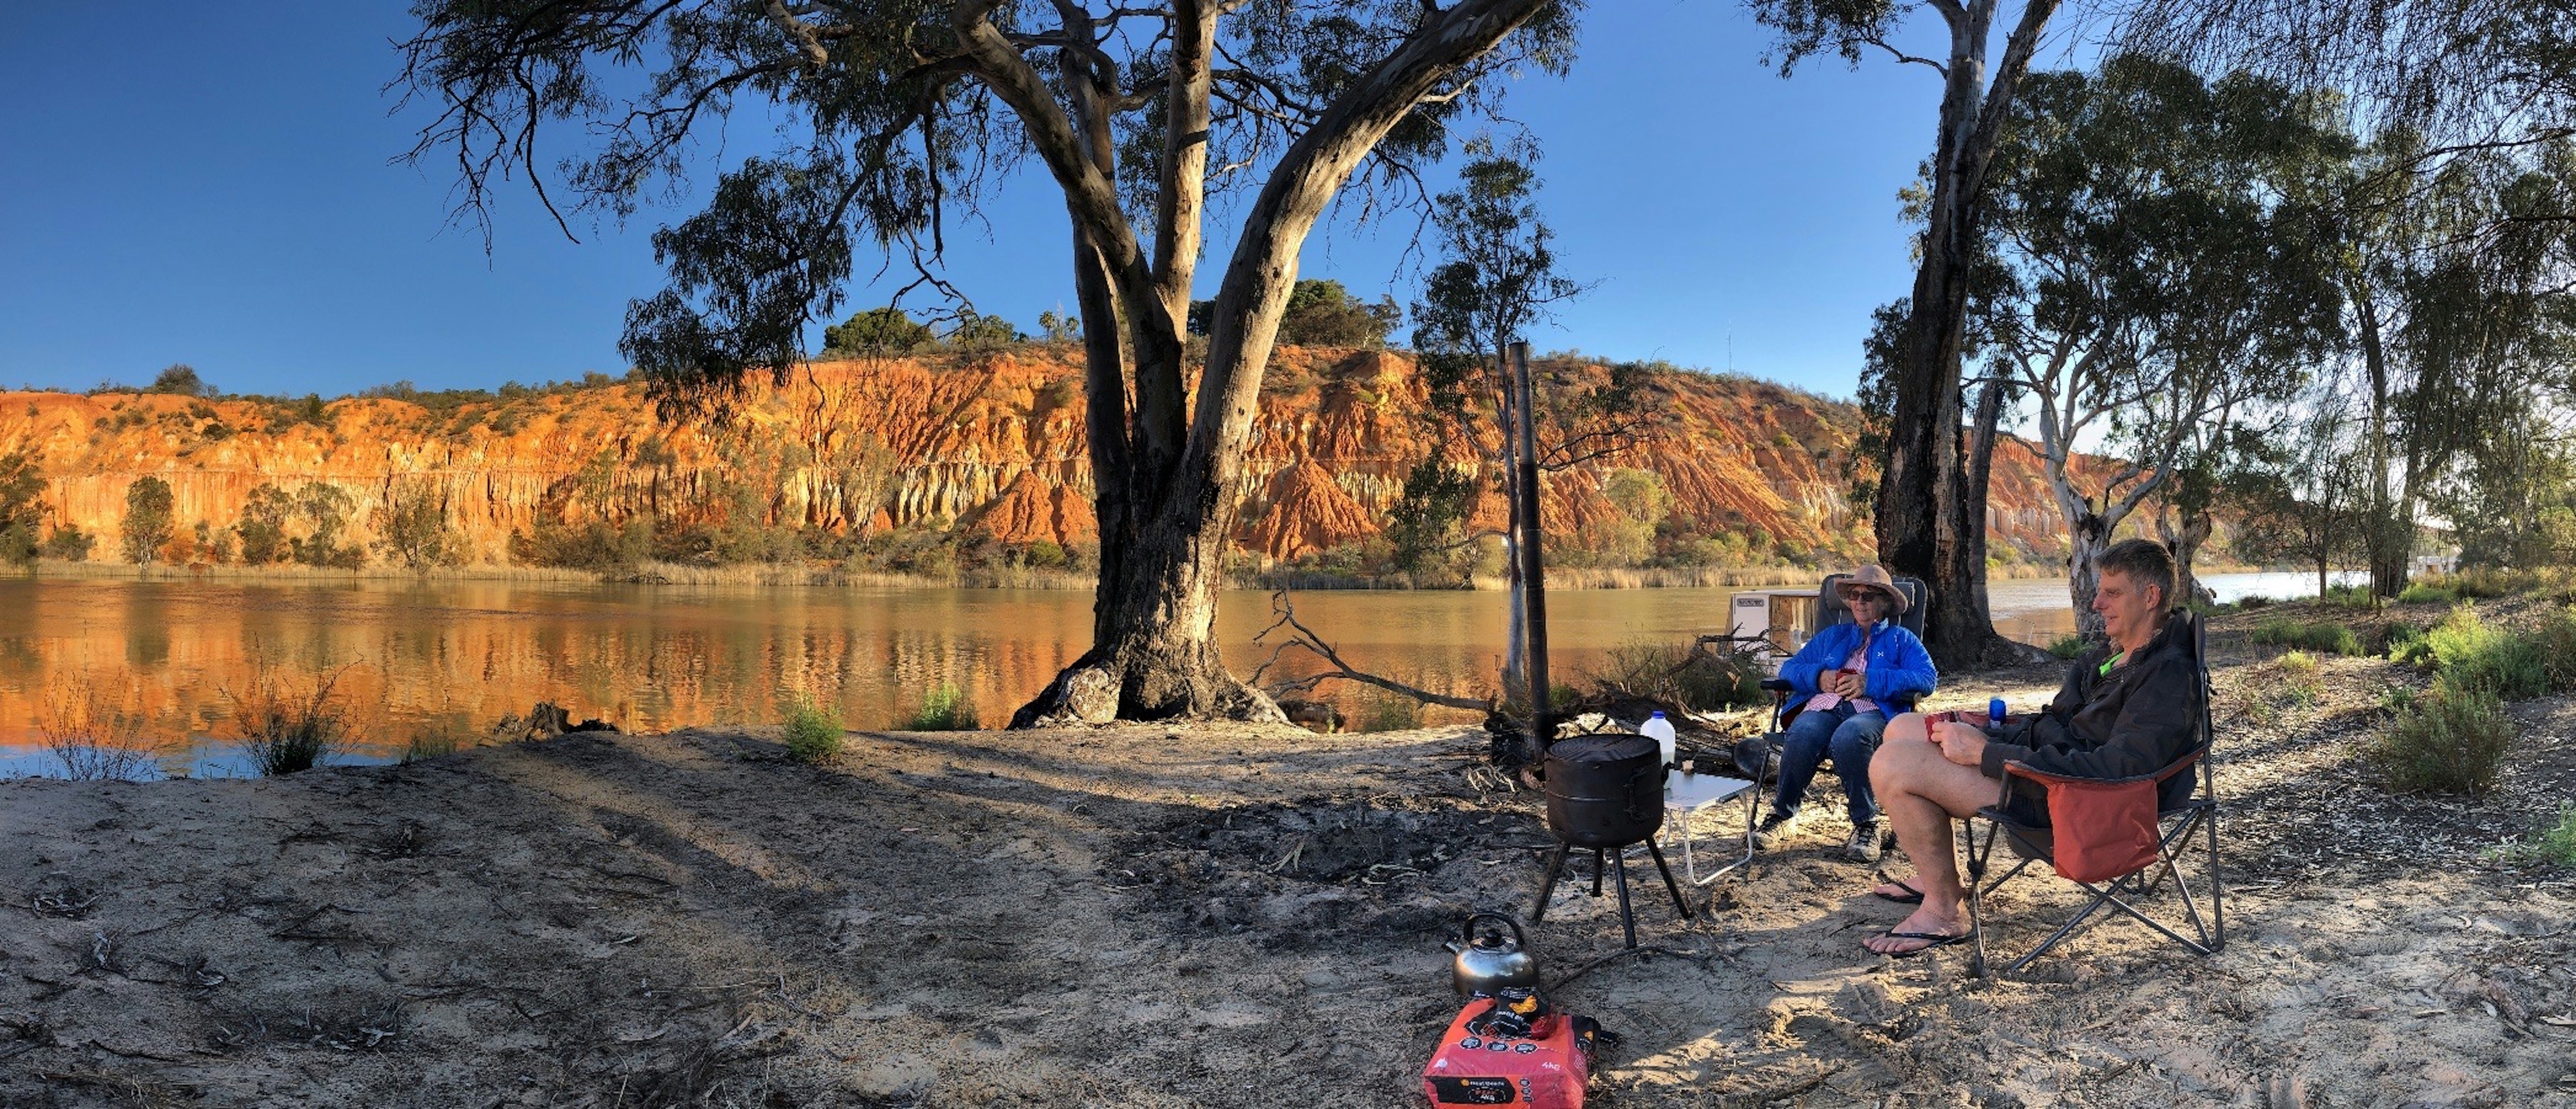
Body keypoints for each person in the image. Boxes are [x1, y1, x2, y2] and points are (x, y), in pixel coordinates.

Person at [1860, 538, 2200, 956]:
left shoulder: (2166, 677)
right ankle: (1937, 875)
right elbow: (2058, 725)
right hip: (2050, 775)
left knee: (1893, 765)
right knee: (1905, 728)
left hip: (2082, 802)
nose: (2096, 604)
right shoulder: (2110, 657)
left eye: (2112, 593)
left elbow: (2117, 769)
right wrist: (1991, 731)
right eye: (2099, 591)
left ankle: (1945, 910)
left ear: (2151, 597)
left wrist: (1988, 755)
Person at [1751, 564, 1936, 863]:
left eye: (1869, 596)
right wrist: (1818, 677)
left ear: (1885, 603)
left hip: (1873, 712)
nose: (1860, 601)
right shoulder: (1832, 636)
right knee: (1803, 731)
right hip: (1824, 706)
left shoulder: (1901, 639)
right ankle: (1783, 817)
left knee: (1851, 735)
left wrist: (1871, 682)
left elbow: (1927, 679)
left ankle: (1867, 825)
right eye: (1854, 595)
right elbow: (1790, 669)